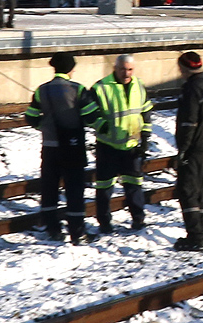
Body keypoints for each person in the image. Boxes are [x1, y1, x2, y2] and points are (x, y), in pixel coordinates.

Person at [82, 54, 154, 233]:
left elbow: (145, 112)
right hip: (108, 147)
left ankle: (138, 219)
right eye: (123, 69)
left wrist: (145, 137)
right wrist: (102, 125)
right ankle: (104, 223)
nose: (126, 73)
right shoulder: (101, 87)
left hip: (131, 147)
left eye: (130, 69)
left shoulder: (139, 85)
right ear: (115, 68)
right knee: (104, 188)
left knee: (134, 185)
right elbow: (88, 113)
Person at [25, 52, 88, 243]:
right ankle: (78, 233)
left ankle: (53, 230)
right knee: (74, 190)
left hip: (50, 147)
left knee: (49, 188)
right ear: (71, 69)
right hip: (72, 148)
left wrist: (44, 127)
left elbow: (31, 116)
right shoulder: (77, 89)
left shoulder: (41, 90)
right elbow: (90, 115)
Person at [173, 50, 203, 251]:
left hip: (194, 148)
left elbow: (189, 122)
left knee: (188, 191)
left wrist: (183, 149)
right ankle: (199, 231)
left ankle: (195, 236)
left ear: (183, 68)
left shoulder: (192, 90)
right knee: (201, 191)